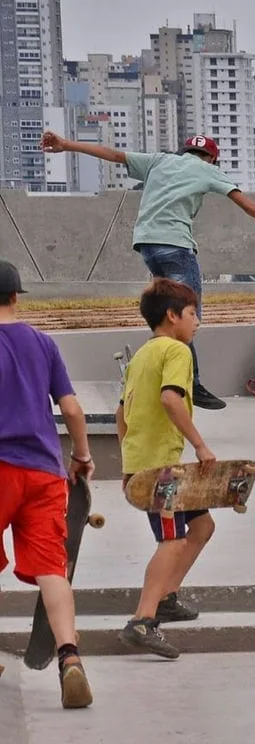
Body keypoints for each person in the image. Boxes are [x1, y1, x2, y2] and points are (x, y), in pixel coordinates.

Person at [39, 130, 255, 410]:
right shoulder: (206, 170)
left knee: (167, 316)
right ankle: (190, 383)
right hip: (176, 248)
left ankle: (158, 372)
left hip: (147, 246)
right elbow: (249, 206)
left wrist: (66, 144)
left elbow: (113, 154)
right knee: (188, 317)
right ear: (211, 159)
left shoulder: (160, 160)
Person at [0, 260, 95, 708]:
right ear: (17, 297)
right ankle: (70, 657)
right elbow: (72, 409)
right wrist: (81, 455)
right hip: (43, 471)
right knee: (52, 570)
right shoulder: (43, 343)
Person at [116, 279, 220, 660]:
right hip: (162, 470)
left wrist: (129, 463)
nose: (197, 322)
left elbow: (121, 412)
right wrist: (199, 444)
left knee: (203, 526)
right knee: (173, 540)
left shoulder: (141, 356)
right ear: (172, 316)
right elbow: (170, 398)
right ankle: (142, 621)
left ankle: (167, 597)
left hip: (148, 464)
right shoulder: (177, 351)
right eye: (193, 314)